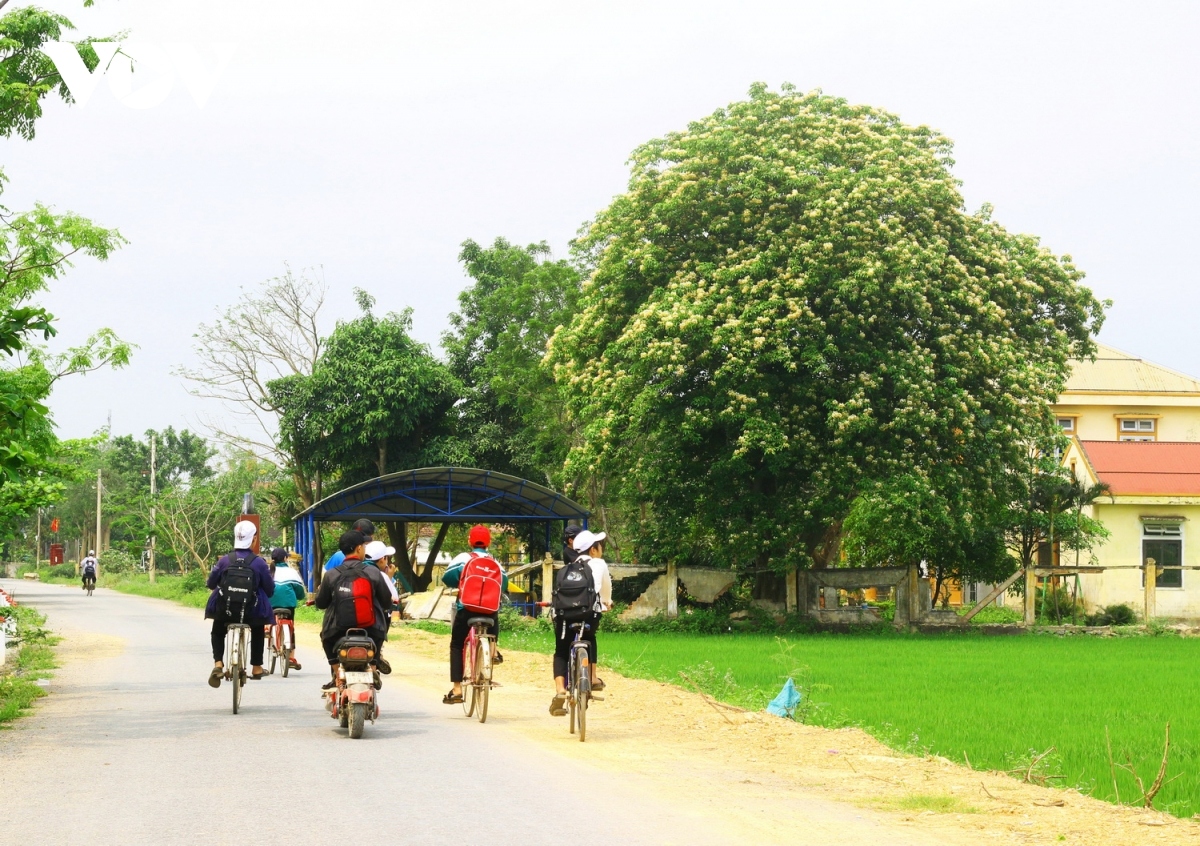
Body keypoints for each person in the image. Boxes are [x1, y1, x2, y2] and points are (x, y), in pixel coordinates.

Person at [314, 530, 393, 690]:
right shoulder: (373, 572)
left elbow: (321, 603)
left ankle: (337, 673)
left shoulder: (331, 575)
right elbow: (386, 602)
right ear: (358, 549)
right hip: (370, 629)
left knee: (326, 638)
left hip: (338, 630)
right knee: (379, 637)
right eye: (364, 546)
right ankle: (372, 667)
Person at [440, 525, 508, 705]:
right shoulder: (495, 561)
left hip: (467, 609)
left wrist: (461, 581)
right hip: (488, 612)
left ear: (470, 541)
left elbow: (447, 578)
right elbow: (505, 584)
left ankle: (457, 690)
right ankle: (492, 649)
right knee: (495, 613)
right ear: (489, 543)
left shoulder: (463, 558)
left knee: (456, 644)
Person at [549, 529, 612, 716]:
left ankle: (560, 690)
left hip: (564, 617)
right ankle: (592, 678)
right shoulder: (599, 564)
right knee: (590, 639)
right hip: (589, 615)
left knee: (561, 651)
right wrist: (608, 602)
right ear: (593, 550)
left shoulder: (565, 569)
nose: (601, 549)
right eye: (599, 546)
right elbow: (606, 591)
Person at [205, 521, 275, 687]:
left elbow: (211, 583)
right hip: (251, 613)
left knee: (217, 629)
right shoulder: (259, 563)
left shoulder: (224, 561)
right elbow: (270, 589)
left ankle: (218, 664)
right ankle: (257, 666)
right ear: (254, 539)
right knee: (258, 629)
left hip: (226, 611)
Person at [268, 547, 306, 671]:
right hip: (289, 605)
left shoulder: (268, 572)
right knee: (291, 628)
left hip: (272, 604)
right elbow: (300, 592)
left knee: (271, 618)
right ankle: (291, 657)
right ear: (285, 558)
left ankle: (268, 627)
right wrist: (300, 597)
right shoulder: (292, 572)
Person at [364, 540, 400, 607]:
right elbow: (395, 602)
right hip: (376, 615)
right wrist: (389, 578)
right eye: (387, 558)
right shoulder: (380, 575)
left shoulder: (357, 569)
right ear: (382, 559)